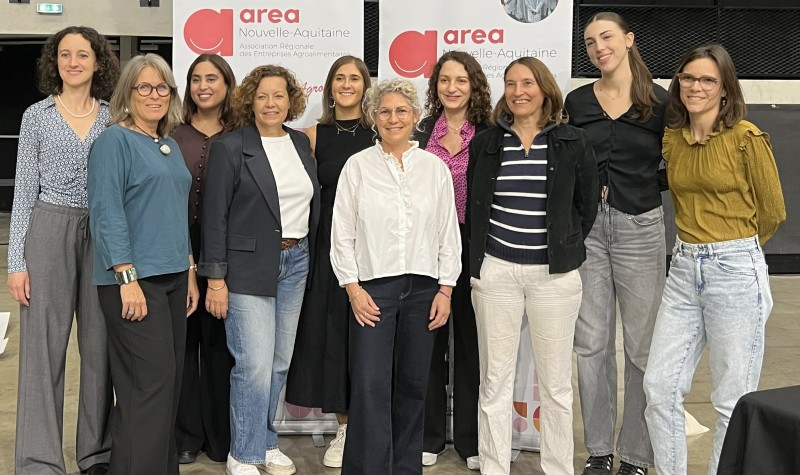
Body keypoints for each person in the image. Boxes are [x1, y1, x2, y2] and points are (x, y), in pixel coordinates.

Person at [643, 44, 785, 475]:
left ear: (725, 88)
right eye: (688, 78)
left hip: (735, 270)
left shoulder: (746, 138)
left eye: (708, 80)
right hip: (684, 269)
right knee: (659, 387)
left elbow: (773, 211)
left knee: (730, 400)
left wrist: (736, 252)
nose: (696, 87)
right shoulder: (673, 139)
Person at [467, 57, 598, 475]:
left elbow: (586, 206)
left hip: (554, 277)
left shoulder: (573, 141)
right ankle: (493, 466)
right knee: (494, 381)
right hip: (496, 273)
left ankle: (558, 468)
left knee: (556, 385)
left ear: (544, 89)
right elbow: (476, 206)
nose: (518, 91)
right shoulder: (487, 142)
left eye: (527, 83)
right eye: (510, 83)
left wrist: (561, 247)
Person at [330, 78, 462, 474]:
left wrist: (446, 289)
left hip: (424, 291)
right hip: (373, 291)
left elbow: (447, 231)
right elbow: (342, 233)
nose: (393, 118)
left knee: (413, 385)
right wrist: (353, 289)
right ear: (373, 117)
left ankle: (405, 469)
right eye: (384, 111)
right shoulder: (358, 166)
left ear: (416, 116)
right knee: (370, 386)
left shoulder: (434, 168)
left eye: (401, 111)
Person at [199, 64, 320, 475]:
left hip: (296, 261)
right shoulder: (230, 147)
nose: (271, 103)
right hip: (246, 266)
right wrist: (216, 279)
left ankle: (266, 442)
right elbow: (214, 216)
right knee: (253, 364)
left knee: (279, 362)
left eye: (279, 95)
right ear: (250, 100)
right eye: (262, 96)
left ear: (291, 101)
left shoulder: (300, 143)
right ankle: (244, 454)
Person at [9, 25, 119, 475]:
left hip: (102, 233)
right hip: (49, 228)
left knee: (100, 344)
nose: (73, 62)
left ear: (98, 62)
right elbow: (23, 191)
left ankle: (96, 453)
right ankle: (39, 459)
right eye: (65, 54)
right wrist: (16, 262)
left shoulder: (114, 116)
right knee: (43, 348)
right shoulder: (36, 116)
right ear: (54, 62)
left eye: (83, 54)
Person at [565, 12, 668, 475]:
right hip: (589, 231)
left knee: (642, 348)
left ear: (628, 39)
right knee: (591, 344)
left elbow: (679, 160)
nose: (598, 47)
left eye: (606, 37)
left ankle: (637, 455)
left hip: (640, 227)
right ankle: (600, 450)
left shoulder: (661, 102)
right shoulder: (577, 101)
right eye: (590, 42)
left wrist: (644, 187)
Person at [88, 53, 199, 475]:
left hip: (173, 277)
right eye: (145, 87)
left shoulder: (167, 144)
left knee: (166, 386)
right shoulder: (114, 141)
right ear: (128, 93)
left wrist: (189, 270)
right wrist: (126, 278)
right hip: (135, 281)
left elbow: (175, 212)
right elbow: (106, 212)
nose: (155, 95)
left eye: (162, 87)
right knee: (146, 387)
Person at [284, 55, 373, 469]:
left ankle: (371, 424)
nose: (347, 84)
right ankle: (344, 428)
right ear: (330, 86)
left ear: (365, 85)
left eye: (355, 78)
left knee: (369, 336)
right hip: (326, 247)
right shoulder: (312, 137)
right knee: (334, 336)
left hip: (373, 247)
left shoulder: (380, 132)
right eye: (340, 77)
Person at [414, 50, 492, 470]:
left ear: (474, 85)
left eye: (461, 80)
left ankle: (470, 440)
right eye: (444, 80)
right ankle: (428, 436)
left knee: (471, 348)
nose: (452, 87)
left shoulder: (491, 132)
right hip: (428, 250)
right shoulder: (422, 129)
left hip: (475, 247)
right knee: (429, 345)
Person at [172, 53, 238, 465]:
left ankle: (220, 437)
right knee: (182, 343)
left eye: (212, 78)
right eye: (196, 79)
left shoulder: (243, 134)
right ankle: (185, 435)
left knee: (219, 346)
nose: (203, 86)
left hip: (227, 248)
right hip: (176, 244)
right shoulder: (172, 132)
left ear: (227, 84)